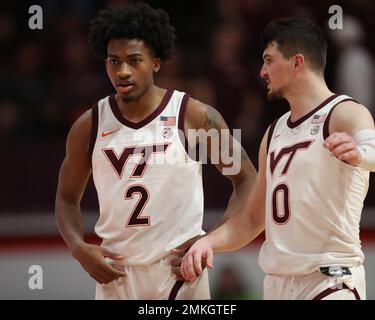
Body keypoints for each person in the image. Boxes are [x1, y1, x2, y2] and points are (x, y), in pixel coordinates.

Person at [55, 3, 256, 300]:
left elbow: (247, 180)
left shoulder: (194, 116)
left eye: (134, 60)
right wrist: (78, 247)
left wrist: (211, 240)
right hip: (115, 274)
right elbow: (66, 198)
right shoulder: (88, 125)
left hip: (178, 272)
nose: (123, 71)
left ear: (156, 63)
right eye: (114, 61)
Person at [181, 17, 375, 300]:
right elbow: (250, 219)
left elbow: (372, 148)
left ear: (297, 62)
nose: (262, 71)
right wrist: (207, 242)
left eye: (269, 60)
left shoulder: (343, 112)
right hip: (278, 285)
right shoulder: (274, 133)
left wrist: (360, 154)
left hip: (330, 281)